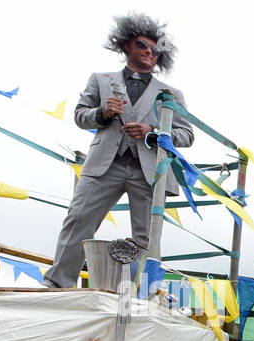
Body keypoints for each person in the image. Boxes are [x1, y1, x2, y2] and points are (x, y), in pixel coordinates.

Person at [43, 14, 194, 289]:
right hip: (104, 165)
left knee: (148, 236)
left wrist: (152, 131)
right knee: (78, 221)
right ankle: (56, 285)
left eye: (154, 49)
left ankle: (141, 293)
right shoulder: (100, 80)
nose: (149, 51)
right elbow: (79, 116)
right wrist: (102, 112)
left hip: (149, 172)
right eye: (142, 45)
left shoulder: (172, 93)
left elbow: (186, 135)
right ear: (126, 45)